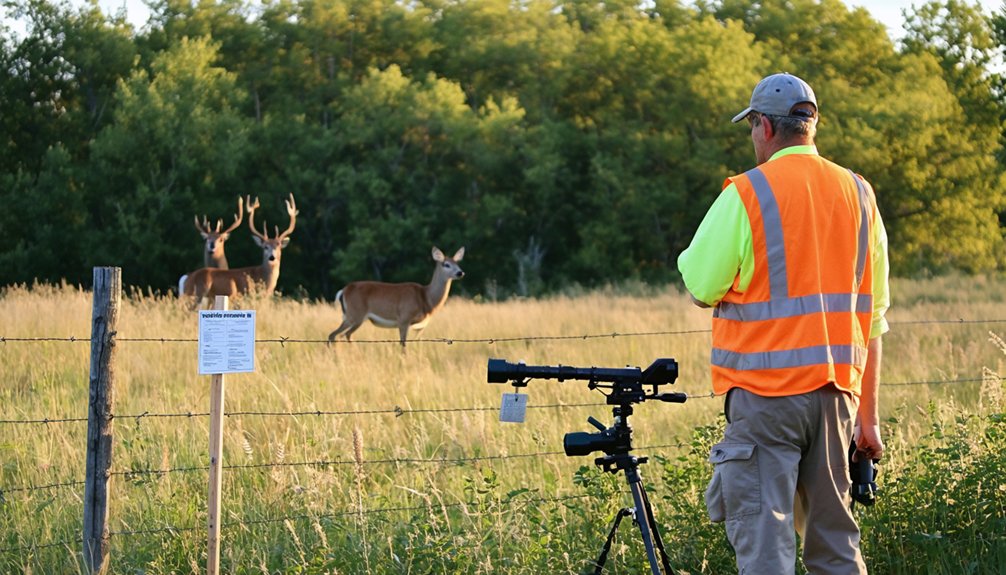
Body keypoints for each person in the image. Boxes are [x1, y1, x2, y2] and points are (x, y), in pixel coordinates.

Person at [677, 73, 890, 574]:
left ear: (763, 128)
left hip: (764, 399)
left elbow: (700, 286)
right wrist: (868, 419)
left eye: (751, 127)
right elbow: (873, 319)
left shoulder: (747, 193)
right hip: (839, 398)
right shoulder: (860, 195)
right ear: (809, 126)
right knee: (837, 548)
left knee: (767, 550)